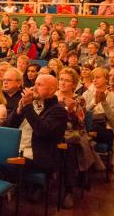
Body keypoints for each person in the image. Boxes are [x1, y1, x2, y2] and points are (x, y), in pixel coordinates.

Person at [8, 74, 73, 207]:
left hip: (39, 155)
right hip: (19, 148)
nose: (34, 88)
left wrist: (27, 107)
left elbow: (42, 130)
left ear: (52, 90)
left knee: (4, 163)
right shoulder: (30, 104)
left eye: (39, 85)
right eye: (35, 84)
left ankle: (5, 197)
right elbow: (9, 125)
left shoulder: (58, 111)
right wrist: (19, 110)